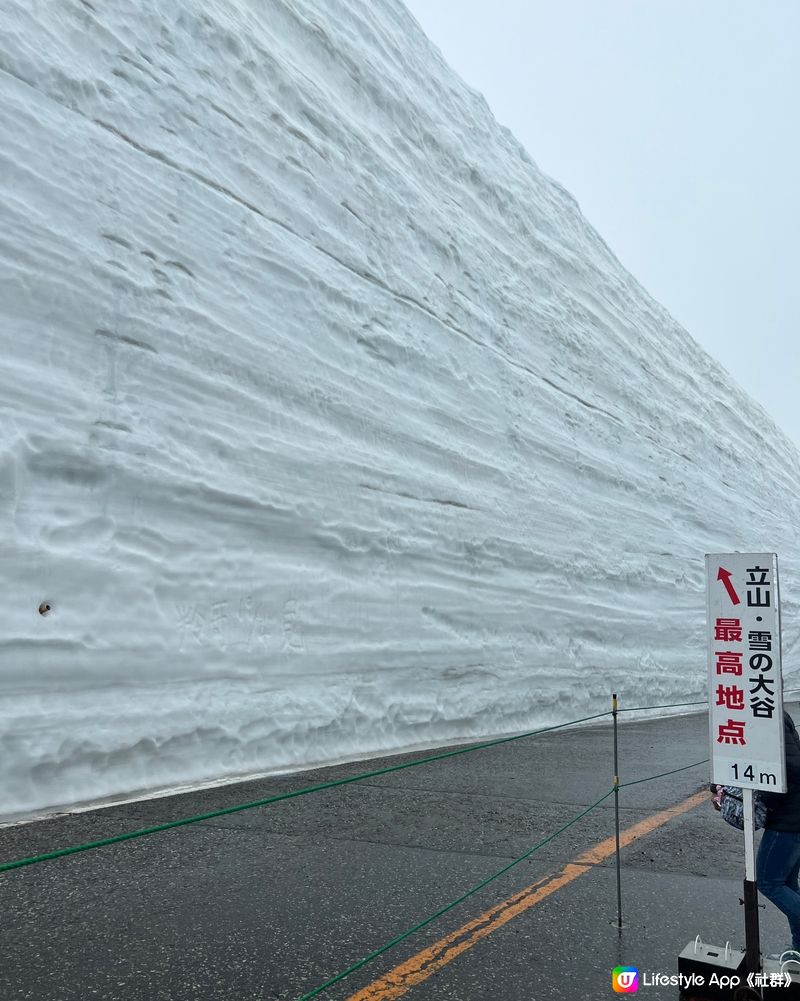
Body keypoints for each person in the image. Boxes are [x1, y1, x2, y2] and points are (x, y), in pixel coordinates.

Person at [756, 709, 800, 957]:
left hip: (788, 819)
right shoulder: (773, 713)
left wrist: (765, 800)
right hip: (792, 815)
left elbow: (792, 767)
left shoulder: (768, 717)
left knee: (768, 882)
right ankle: (799, 949)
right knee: (788, 883)